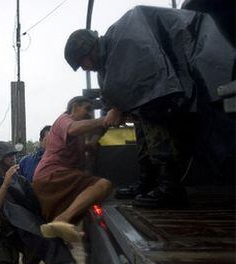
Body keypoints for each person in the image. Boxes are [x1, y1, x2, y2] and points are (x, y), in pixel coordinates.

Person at [64, 5, 235, 208]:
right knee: (140, 120)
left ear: (90, 48)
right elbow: (115, 103)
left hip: (190, 78)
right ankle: (149, 180)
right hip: (169, 93)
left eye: (82, 62)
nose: (84, 68)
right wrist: (96, 138)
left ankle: (169, 187)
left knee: (150, 111)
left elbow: (148, 82)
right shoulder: (106, 68)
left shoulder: (123, 38)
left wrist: (119, 109)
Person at [33, 96, 112, 242]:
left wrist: (99, 133)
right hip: (53, 176)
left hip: (48, 180)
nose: (89, 114)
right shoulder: (64, 120)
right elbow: (73, 128)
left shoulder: (79, 139)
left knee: (56, 242)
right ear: (75, 107)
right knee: (103, 185)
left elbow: (89, 149)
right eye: (87, 109)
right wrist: (103, 119)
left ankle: (60, 224)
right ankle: (63, 218)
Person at [18, 125, 51, 264]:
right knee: (31, 259)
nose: (52, 142)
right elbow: (17, 189)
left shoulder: (62, 161)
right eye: (48, 139)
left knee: (54, 258)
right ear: (40, 141)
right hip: (30, 220)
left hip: (53, 219)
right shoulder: (26, 162)